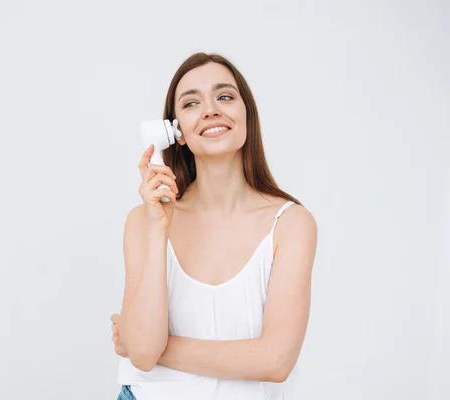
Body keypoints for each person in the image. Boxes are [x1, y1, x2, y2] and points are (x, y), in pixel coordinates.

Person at [110, 52, 318, 400]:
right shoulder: (143, 220)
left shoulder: (292, 224)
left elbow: (276, 360)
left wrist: (150, 347)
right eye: (191, 103)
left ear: (246, 115)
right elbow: (144, 353)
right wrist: (158, 227)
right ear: (174, 131)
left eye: (224, 97)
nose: (210, 110)